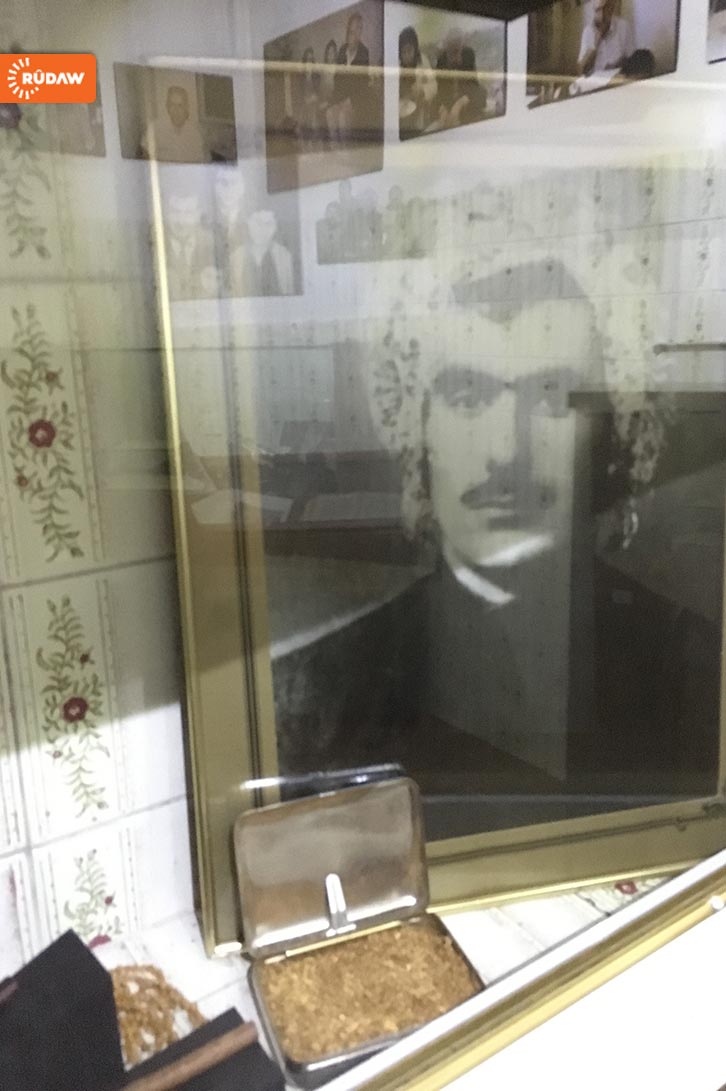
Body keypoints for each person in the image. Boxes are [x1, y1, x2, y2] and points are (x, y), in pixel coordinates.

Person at [164, 190, 216, 300]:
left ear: (198, 215)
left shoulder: (213, 243)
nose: (181, 221)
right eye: (175, 212)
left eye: (188, 213)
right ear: (166, 214)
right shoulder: (156, 245)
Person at [230, 209, 295, 297]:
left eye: (269, 224)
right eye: (257, 222)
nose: (262, 229)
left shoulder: (285, 256)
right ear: (248, 223)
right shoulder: (235, 257)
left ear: (276, 227)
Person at [328, 11, 370, 145]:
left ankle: (345, 149)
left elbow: (363, 83)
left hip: (354, 100)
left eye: (359, 28)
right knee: (330, 113)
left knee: (342, 117)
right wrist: (337, 100)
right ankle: (335, 147)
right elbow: (337, 78)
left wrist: (349, 100)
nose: (356, 32)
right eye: (354, 28)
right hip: (340, 97)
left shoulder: (364, 52)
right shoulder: (342, 50)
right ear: (349, 28)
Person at [434, 30, 487, 130]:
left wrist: (459, 104)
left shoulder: (468, 54)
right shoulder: (441, 60)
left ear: (461, 47)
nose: (454, 57)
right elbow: (441, 88)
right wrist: (443, 108)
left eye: (457, 51)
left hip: (466, 95)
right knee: (436, 107)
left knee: (482, 92)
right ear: (447, 49)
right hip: (449, 97)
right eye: (451, 52)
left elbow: (473, 83)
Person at [141, 83, 206, 163]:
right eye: (172, 105)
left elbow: (199, 160)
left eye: (180, 105)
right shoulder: (156, 128)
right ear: (167, 106)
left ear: (186, 107)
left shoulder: (195, 133)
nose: (176, 110)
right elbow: (144, 152)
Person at [398, 25, 437, 141]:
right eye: (403, 52)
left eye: (409, 50)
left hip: (418, 111)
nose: (407, 55)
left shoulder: (423, 61)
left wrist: (422, 90)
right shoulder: (395, 63)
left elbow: (434, 85)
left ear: (415, 49)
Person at [577, 0, 635, 77]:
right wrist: (596, 42)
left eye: (605, 8)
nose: (601, 14)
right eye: (598, 10)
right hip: (594, 81)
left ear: (611, 8)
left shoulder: (623, 27)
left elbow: (632, 61)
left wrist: (618, 65)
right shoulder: (588, 31)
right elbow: (580, 70)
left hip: (616, 79)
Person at [299, 47, 321, 150]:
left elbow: (319, 92)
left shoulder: (316, 75)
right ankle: (306, 142)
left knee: (312, 114)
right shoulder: (301, 75)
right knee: (303, 114)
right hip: (304, 101)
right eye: (308, 60)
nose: (309, 62)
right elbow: (299, 92)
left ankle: (313, 142)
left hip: (314, 100)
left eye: (311, 60)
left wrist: (313, 98)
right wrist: (305, 100)